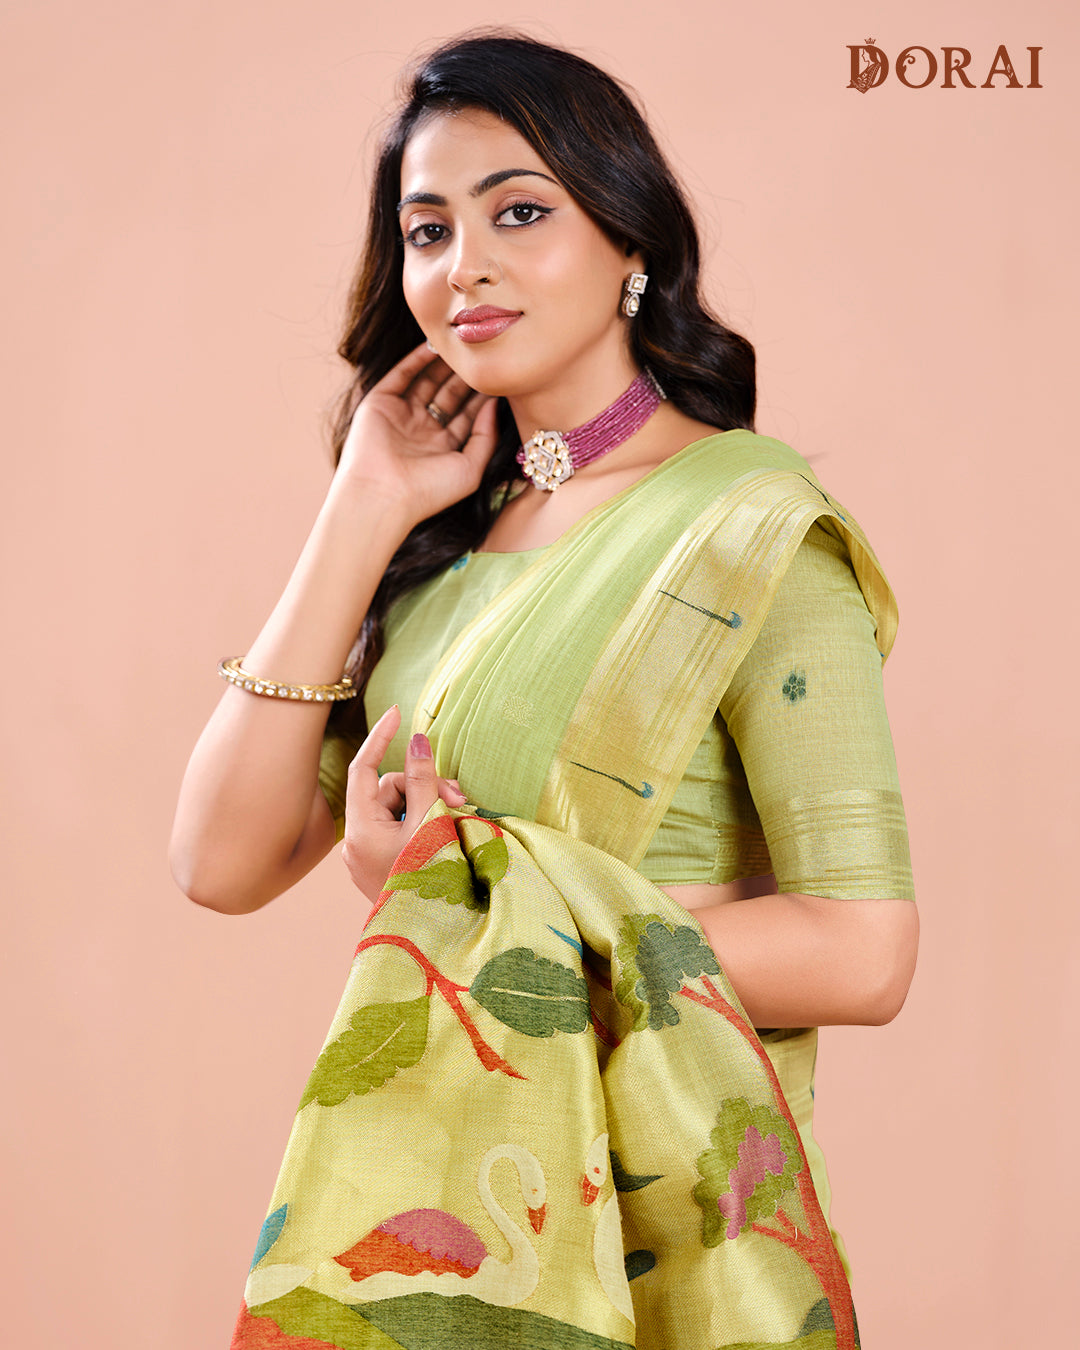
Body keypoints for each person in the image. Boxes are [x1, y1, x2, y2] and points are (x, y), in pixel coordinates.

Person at [171, 32, 918, 1350]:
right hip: (448, 1181)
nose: (465, 266)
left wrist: (468, 891)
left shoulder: (750, 532)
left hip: (670, 1224)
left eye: (518, 212)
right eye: (427, 231)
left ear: (632, 243)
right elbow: (220, 861)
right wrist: (362, 507)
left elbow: (865, 953)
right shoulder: (441, 549)